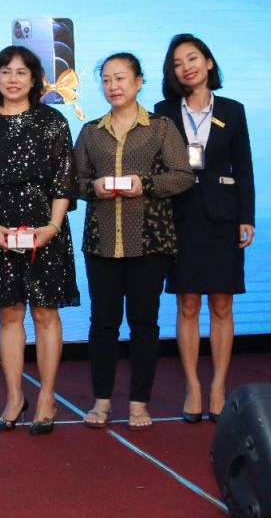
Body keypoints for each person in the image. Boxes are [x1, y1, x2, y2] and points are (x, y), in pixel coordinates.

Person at [73, 52, 194, 431]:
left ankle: (139, 403)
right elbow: (72, 182)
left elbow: (183, 175)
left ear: (139, 82)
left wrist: (147, 184)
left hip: (150, 240)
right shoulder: (91, 132)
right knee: (103, 323)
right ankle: (102, 401)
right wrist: (92, 188)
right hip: (101, 242)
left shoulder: (161, 127)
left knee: (144, 323)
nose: (113, 86)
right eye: (107, 80)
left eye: (121, 78)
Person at [0, 46, 79, 436]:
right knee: (9, 315)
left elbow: (64, 179)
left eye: (21, 72)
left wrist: (53, 226)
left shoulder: (52, 121)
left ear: (34, 79)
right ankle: (14, 397)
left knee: (45, 313)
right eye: (5, 72)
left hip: (46, 229)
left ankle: (46, 396)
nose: (13, 79)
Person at [154, 34, 255, 423]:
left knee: (222, 304)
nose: (186, 67)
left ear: (208, 62)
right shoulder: (163, 112)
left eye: (192, 58)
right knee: (187, 303)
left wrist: (247, 216)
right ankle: (193, 386)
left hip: (223, 216)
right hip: (180, 215)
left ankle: (218, 386)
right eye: (178, 63)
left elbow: (243, 166)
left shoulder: (233, 110)